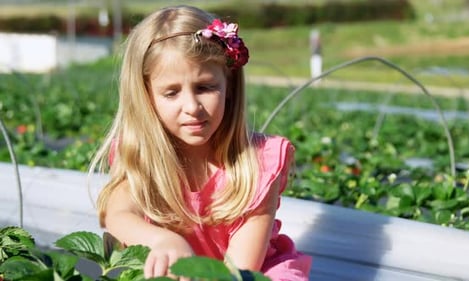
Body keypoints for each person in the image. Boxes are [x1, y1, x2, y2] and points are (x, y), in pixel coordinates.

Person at [89, 4, 312, 280]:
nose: (192, 107)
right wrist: (161, 240)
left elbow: (239, 270)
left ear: (228, 85)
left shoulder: (257, 163)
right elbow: (119, 215)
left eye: (205, 87)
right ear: (146, 97)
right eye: (171, 93)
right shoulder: (140, 154)